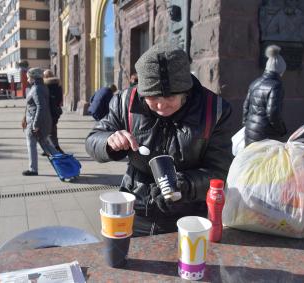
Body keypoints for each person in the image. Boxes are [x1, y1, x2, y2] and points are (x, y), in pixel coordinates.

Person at [85, 43, 233, 236]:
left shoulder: (214, 111)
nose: (162, 105)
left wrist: (185, 184)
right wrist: (109, 142)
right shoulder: (124, 102)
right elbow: (92, 140)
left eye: (171, 97)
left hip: (188, 218)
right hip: (134, 209)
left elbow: (220, 171)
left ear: (186, 92)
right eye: (153, 97)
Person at [243, 45, 287, 146]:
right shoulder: (276, 86)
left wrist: (247, 126)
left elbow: (245, 107)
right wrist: (282, 130)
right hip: (265, 135)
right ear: (280, 70)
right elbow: (273, 114)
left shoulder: (255, 83)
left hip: (250, 131)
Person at [21, 67, 59, 176]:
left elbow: (40, 107)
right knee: (48, 146)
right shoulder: (41, 87)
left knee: (32, 145)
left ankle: (33, 169)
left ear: (33, 77)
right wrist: (25, 118)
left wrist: (35, 125)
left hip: (34, 122)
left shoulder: (37, 89)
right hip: (38, 121)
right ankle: (65, 163)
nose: (27, 79)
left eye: (28, 77)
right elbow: (33, 106)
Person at [43, 69, 64, 153]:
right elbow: (60, 99)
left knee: (48, 130)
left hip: (48, 110)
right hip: (56, 110)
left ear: (46, 76)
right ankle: (50, 148)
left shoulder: (46, 86)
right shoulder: (58, 84)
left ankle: (56, 147)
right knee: (52, 129)